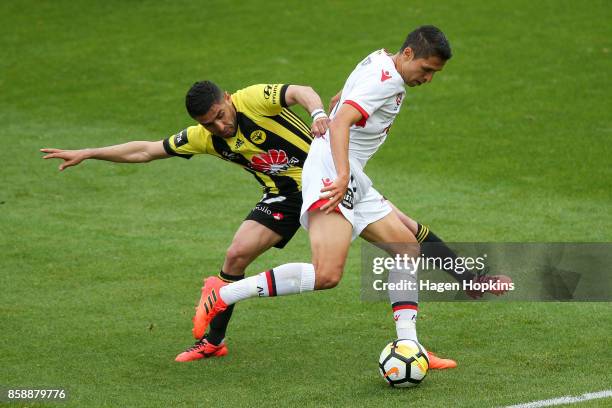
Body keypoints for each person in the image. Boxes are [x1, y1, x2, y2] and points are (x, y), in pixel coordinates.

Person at [41, 79, 474, 367]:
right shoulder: (206, 136)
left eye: (220, 115)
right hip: (284, 196)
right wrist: (90, 152)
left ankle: (464, 278)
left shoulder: (251, 100)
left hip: (323, 178)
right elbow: (146, 150)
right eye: (209, 123)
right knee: (236, 253)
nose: (219, 126)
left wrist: (320, 112)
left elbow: (300, 91)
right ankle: (213, 340)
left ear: (228, 99)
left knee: (401, 229)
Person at [192, 25, 510, 369]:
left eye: (434, 73)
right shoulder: (386, 81)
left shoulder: (381, 59)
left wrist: (342, 106)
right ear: (407, 55)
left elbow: (343, 99)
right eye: (426, 69)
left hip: (349, 171)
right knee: (327, 274)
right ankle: (222, 294)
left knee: (406, 248)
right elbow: (341, 121)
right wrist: (342, 175)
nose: (428, 78)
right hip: (334, 171)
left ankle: (409, 346)